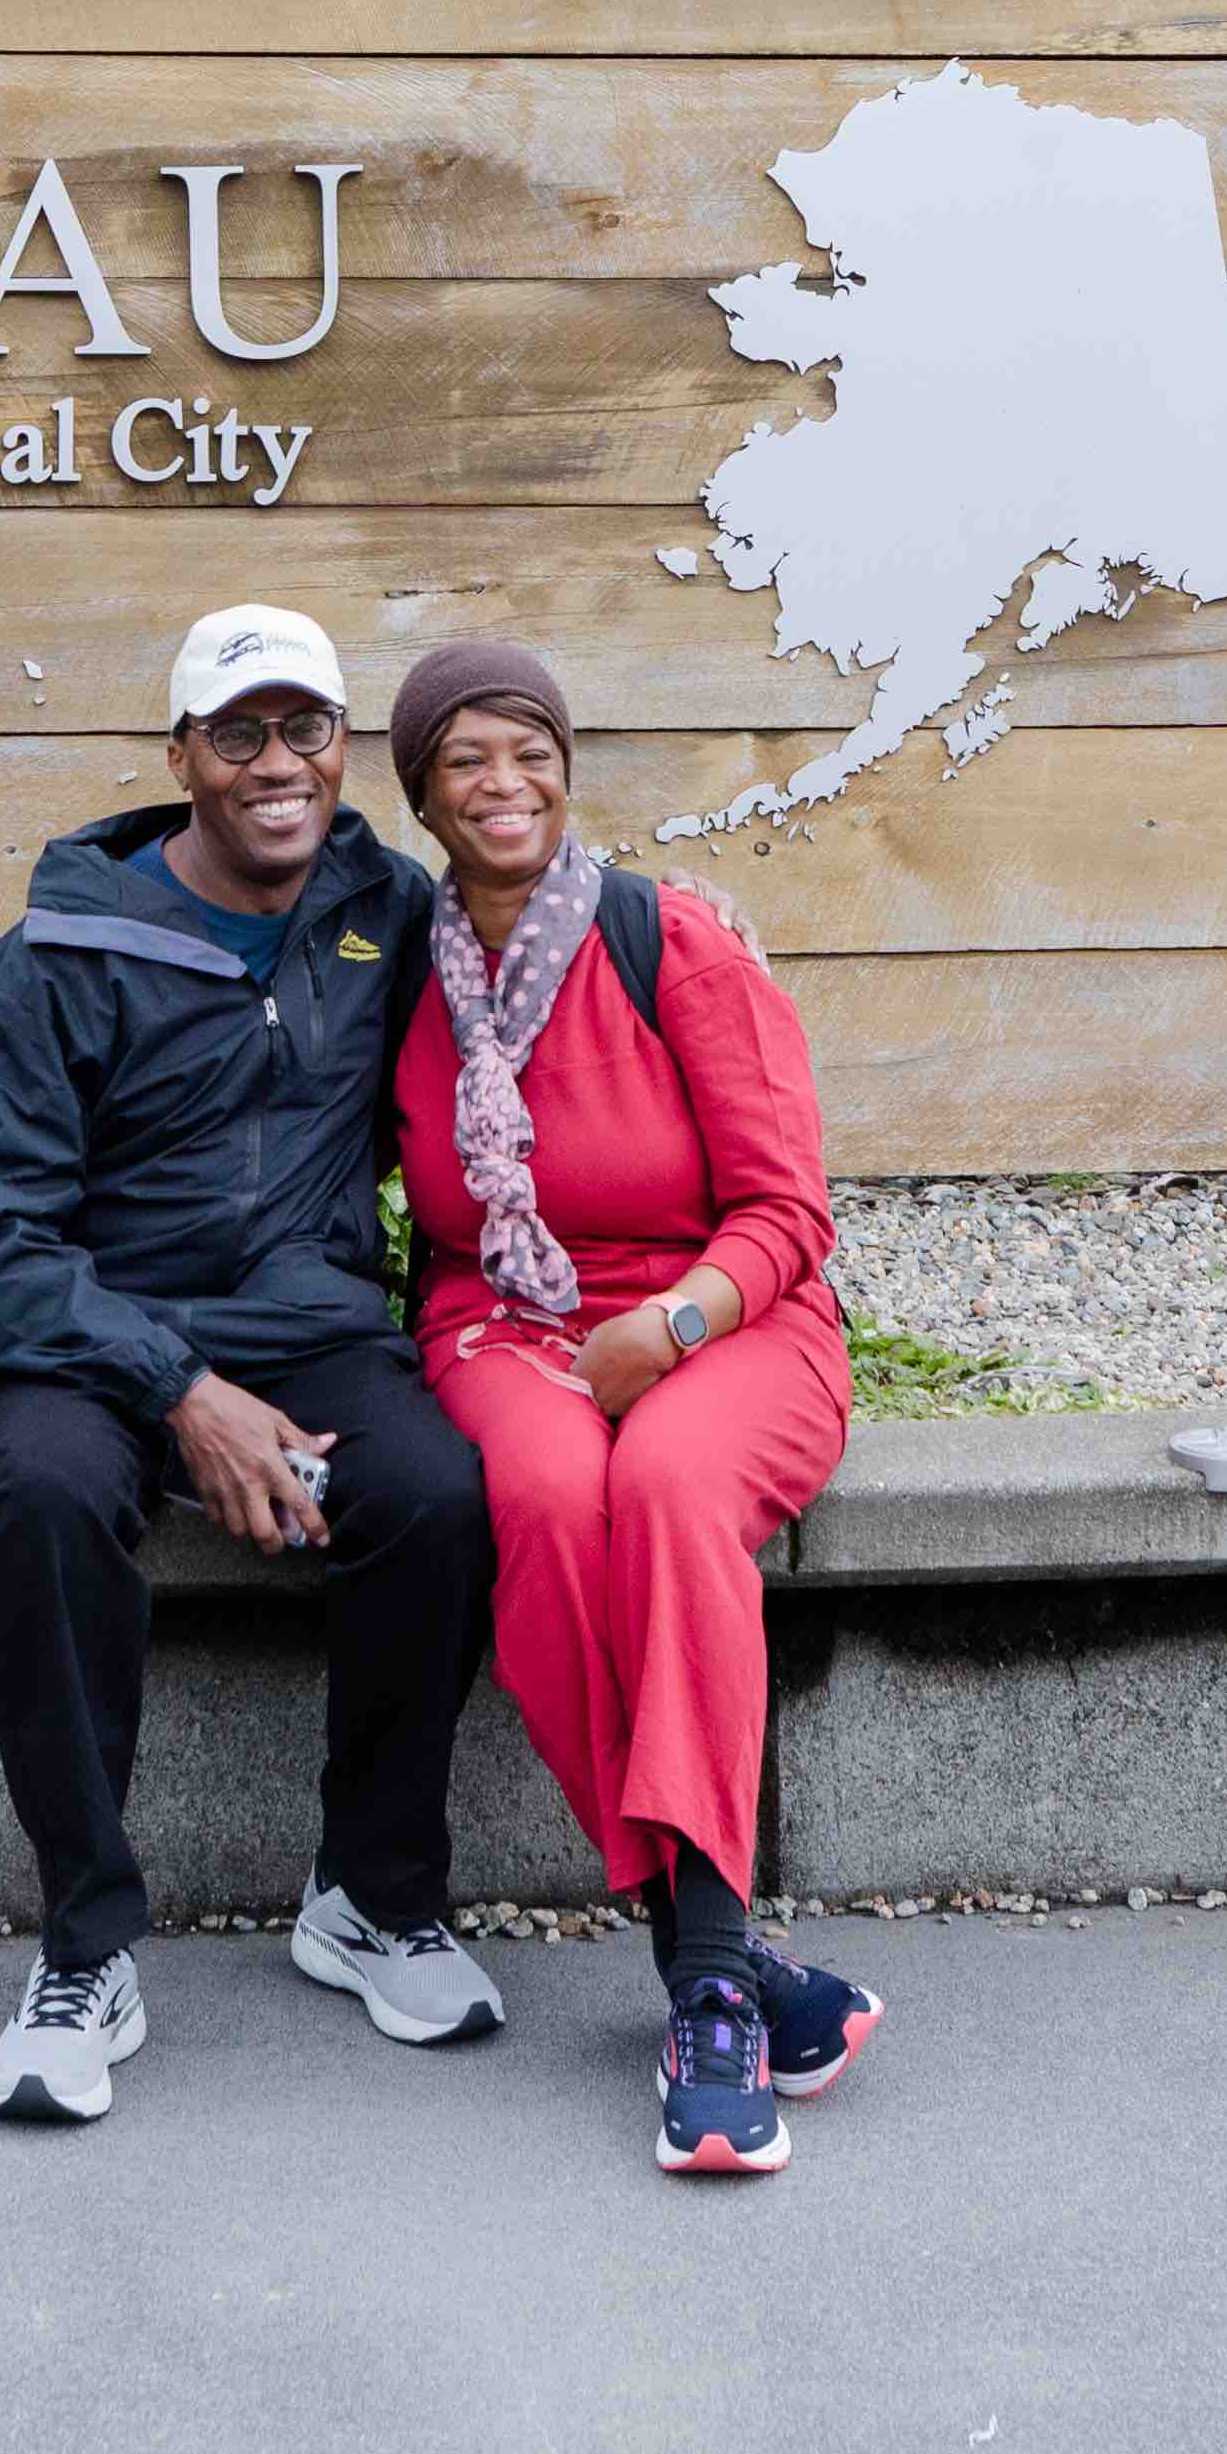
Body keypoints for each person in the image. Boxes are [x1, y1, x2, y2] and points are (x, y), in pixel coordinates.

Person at [0, 601, 505, 2127]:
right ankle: (86, 1949)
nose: (277, 763)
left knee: (437, 1493)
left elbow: (537, 937)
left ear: (343, 751)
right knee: (40, 1499)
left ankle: (370, 1896)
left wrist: (677, 923)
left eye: (306, 729)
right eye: (239, 733)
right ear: (182, 759)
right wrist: (176, 1385)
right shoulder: (53, 959)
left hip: (306, 1323)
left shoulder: (384, 913)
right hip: (91, 1334)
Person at [382, 638, 875, 2179]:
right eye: (465, 758)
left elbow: (791, 1212)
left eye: (528, 751)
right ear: (423, 796)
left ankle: (707, 1980)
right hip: (502, 1317)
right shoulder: (402, 968)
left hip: (725, 1310)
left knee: (665, 1487)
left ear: (569, 769)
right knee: (536, 1502)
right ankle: (722, 1972)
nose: (502, 784)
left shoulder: (676, 942)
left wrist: (666, 1328)